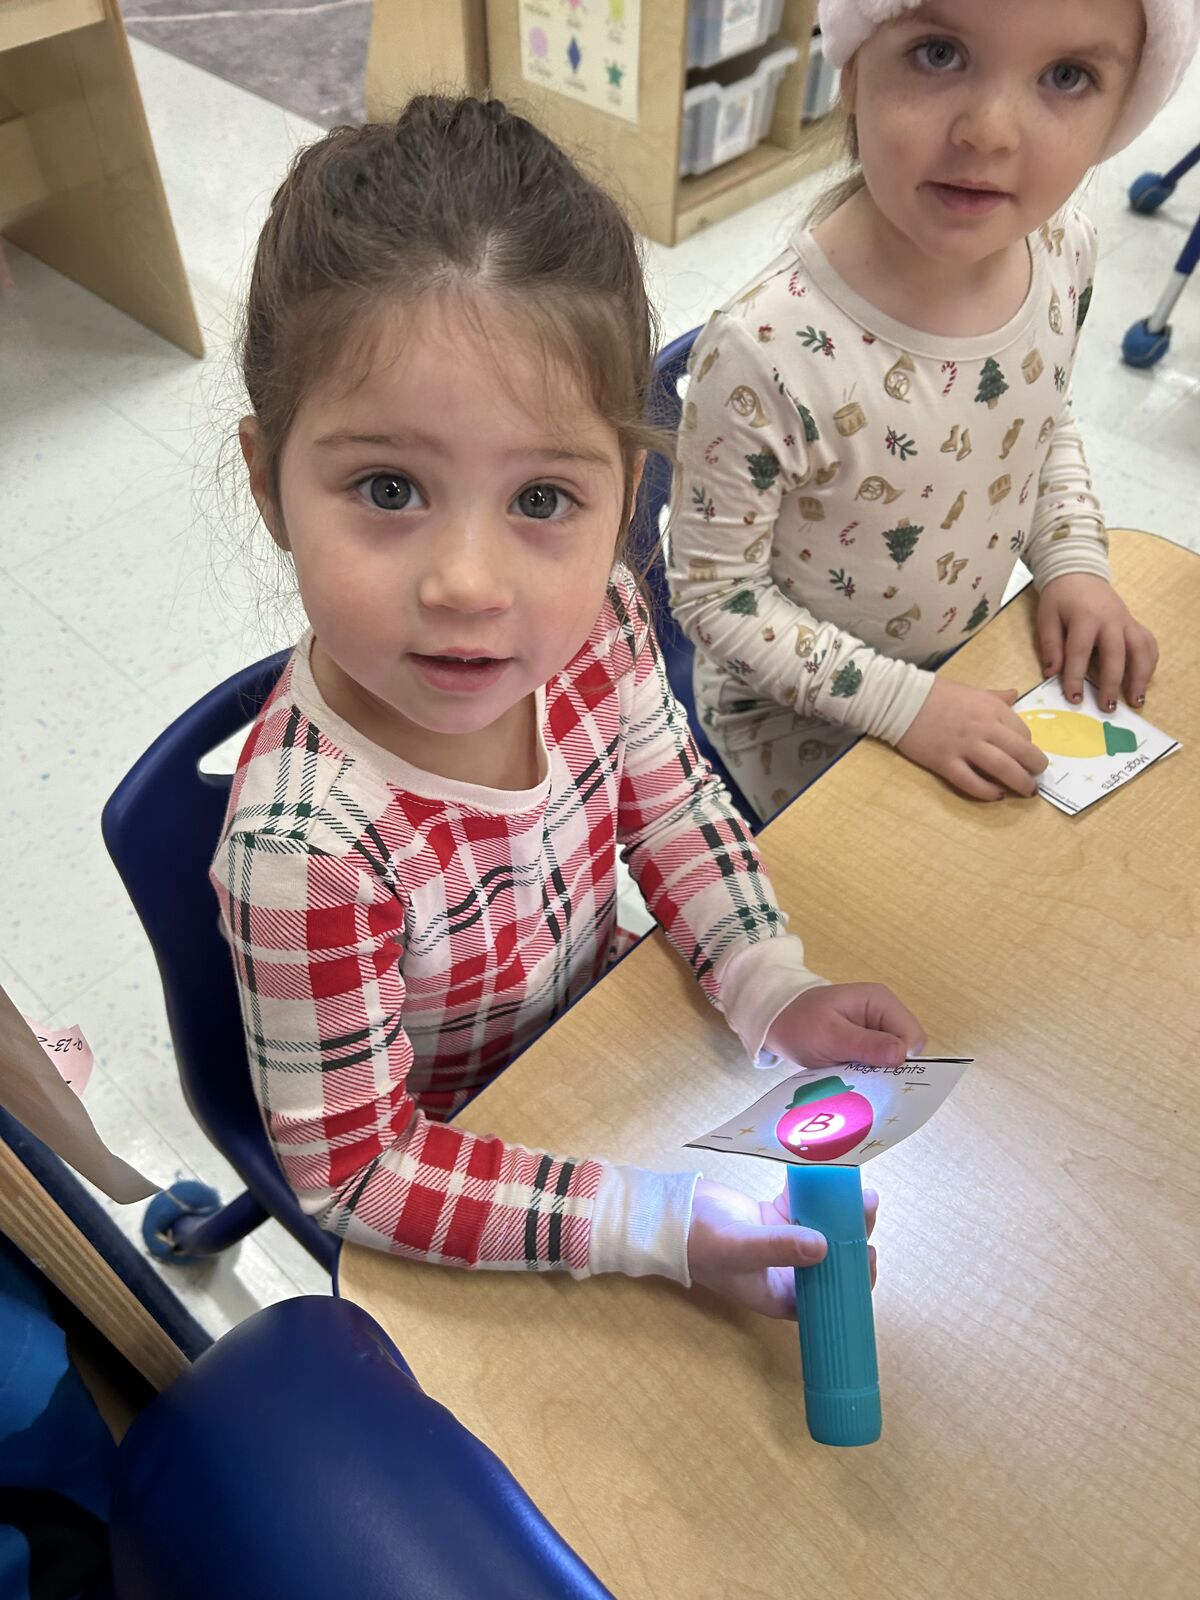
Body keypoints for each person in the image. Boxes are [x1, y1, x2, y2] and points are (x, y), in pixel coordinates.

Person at [209, 96, 925, 1318]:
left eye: (544, 499)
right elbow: (362, 1174)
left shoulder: (597, 622)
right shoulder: (302, 855)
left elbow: (674, 806)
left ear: (625, 491)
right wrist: (655, 1225)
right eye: (389, 486)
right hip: (479, 1175)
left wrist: (767, 980)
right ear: (270, 485)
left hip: (603, 1061)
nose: (471, 586)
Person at [668, 0, 1197, 823]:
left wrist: (1074, 560)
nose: (990, 130)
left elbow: (1041, 423)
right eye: (940, 54)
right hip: (796, 722)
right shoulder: (765, 350)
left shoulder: (1064, 248)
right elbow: (713, 600)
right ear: (848, 71)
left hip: (968, 660)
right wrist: (906, 706)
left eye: (1067, 76)